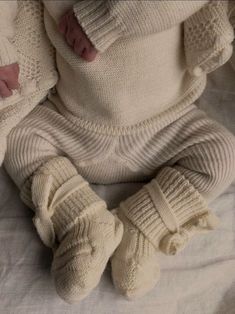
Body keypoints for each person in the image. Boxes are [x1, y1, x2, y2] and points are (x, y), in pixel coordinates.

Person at [0, 0, 235, 304]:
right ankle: (82, 220)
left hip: (166, 125)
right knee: (18, 138)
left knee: (222, 154)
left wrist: (110, 18)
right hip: (70, 123)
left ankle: (143, 222)